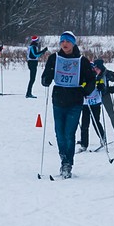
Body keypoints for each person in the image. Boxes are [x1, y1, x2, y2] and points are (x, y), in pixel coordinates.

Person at [40, 32, 95, 179]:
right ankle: (63, 159)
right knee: (59, 134)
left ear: (73, 43)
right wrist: (46, 78)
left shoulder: (81, 61)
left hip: (75, 101)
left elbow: (91, 80)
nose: (65, 44)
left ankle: (67, 164)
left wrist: (85, 89)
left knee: (69, 134)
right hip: (58, 100)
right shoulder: (54, 58)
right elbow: (46, 77)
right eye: (62, 41)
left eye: (68, 41)